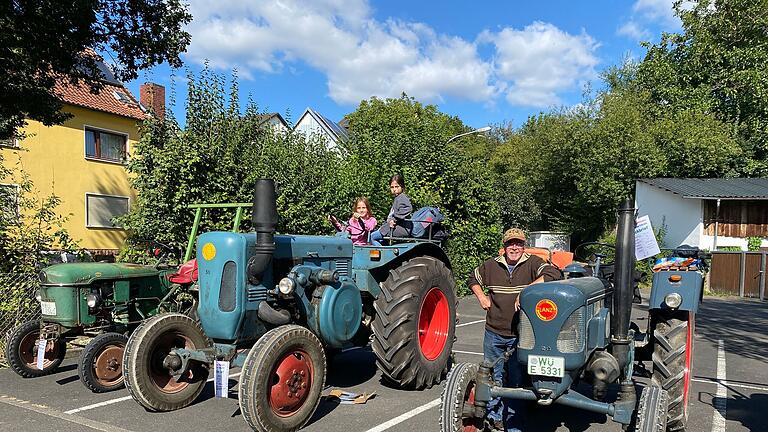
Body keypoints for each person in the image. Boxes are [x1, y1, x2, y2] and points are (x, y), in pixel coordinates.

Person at [467, 228, 562, 432]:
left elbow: (554, 273)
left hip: (521, 335)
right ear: (504, 247)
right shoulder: (492, 265)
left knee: (516, 381)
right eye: (511, 244)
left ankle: (514, 423)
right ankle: (494, 417)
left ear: (524, 246)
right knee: (493, 376)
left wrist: (528, 290)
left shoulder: (533, 263)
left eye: (518, 243)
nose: (514, 247)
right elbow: (472, 279)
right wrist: (482, 297)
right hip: (494, 331)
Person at [370, 174, 412, 246]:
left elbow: (408, 208)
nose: (394, 189)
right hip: (398, 227)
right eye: (392, 187)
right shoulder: (398, 198)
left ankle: (382, 255)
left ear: (402, 187)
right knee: (380, 239)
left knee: (372, 237)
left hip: (402, 228)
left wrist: (394, 219)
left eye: (397, 186)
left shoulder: (402, 197)